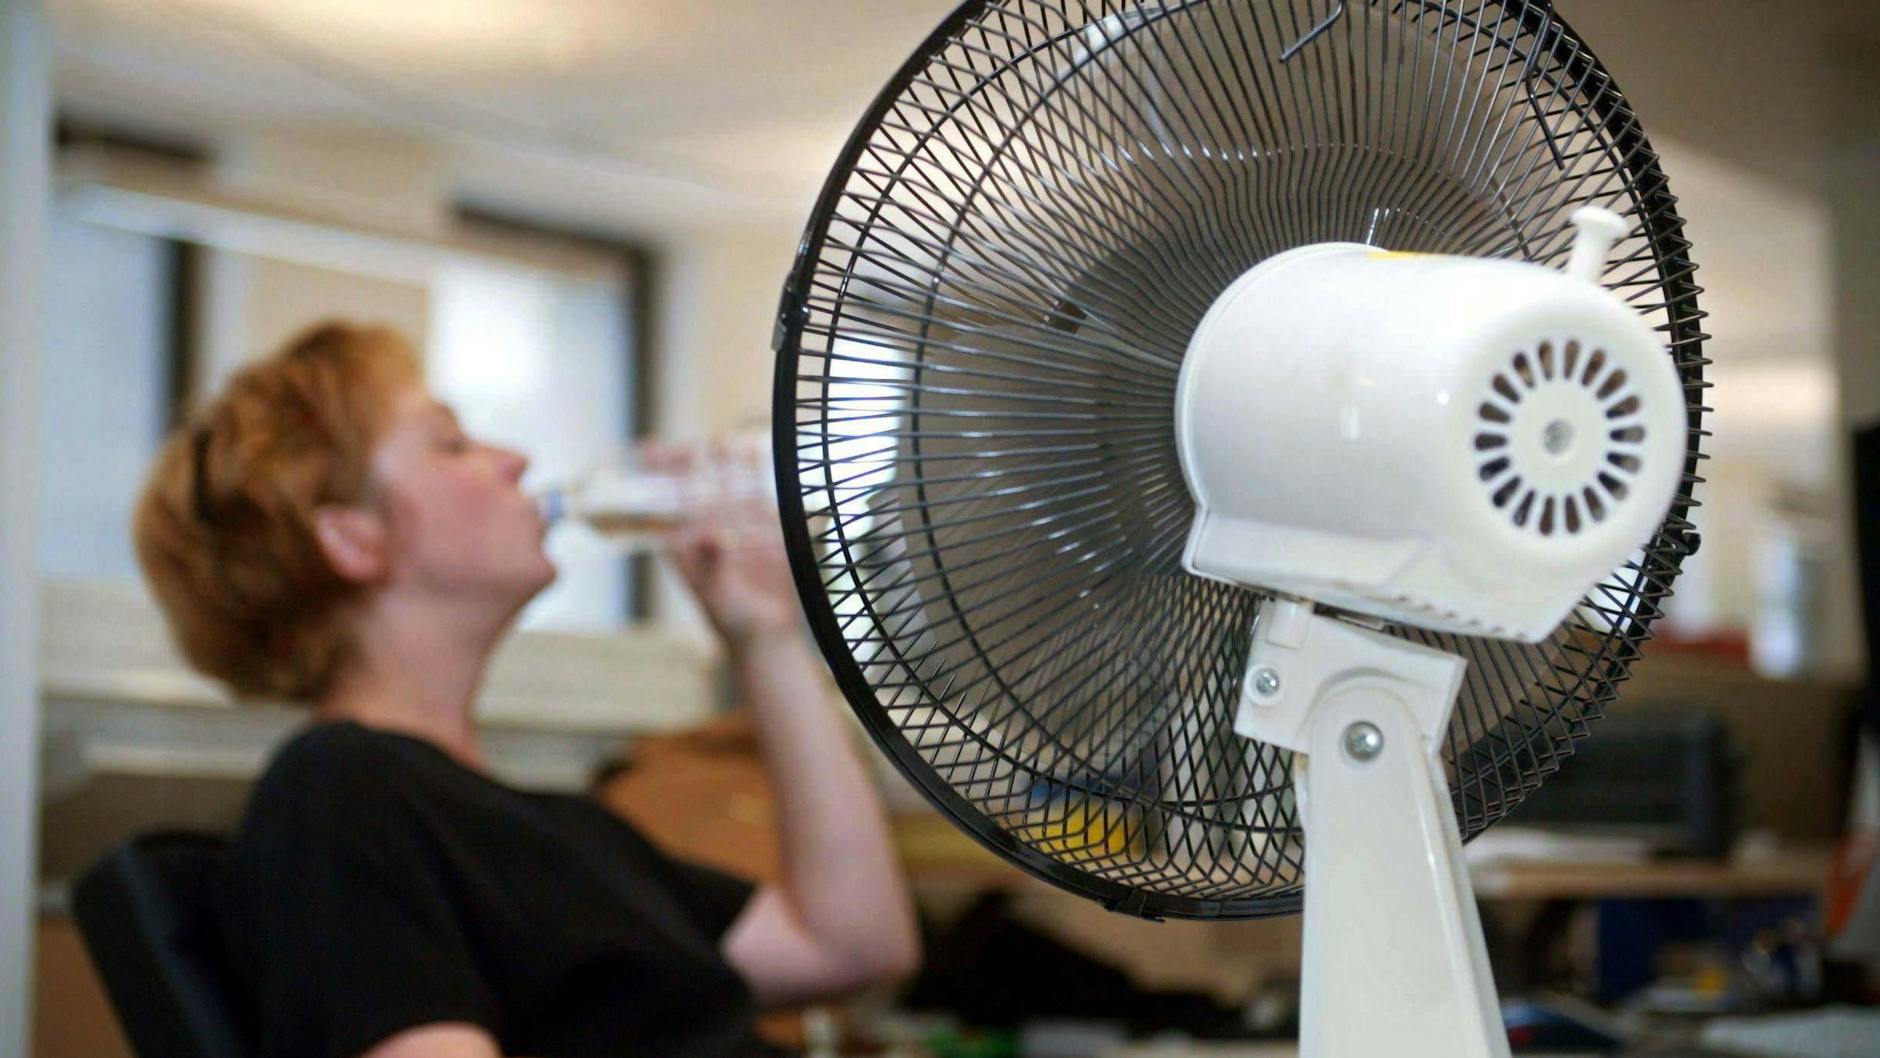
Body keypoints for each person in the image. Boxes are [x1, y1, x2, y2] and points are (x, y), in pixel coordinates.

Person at [132, 322, 919, 1058]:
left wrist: (767, 636)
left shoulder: (570, 827)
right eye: (451, 442)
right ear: (350, 536)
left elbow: (854, 943)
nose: (511, 458)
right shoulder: (342, 795)